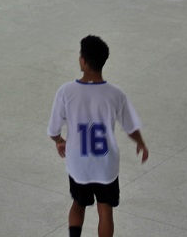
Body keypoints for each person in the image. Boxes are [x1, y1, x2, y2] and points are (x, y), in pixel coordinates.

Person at [48, 35, 148, 237]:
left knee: (78, 203)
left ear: (82, 61)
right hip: (105, 165)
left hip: (79, 164)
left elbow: (53, 130)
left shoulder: (66, 92)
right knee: (105, 210)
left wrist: (59, 141)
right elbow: (130, 127)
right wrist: (141, 143)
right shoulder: (115, 94)